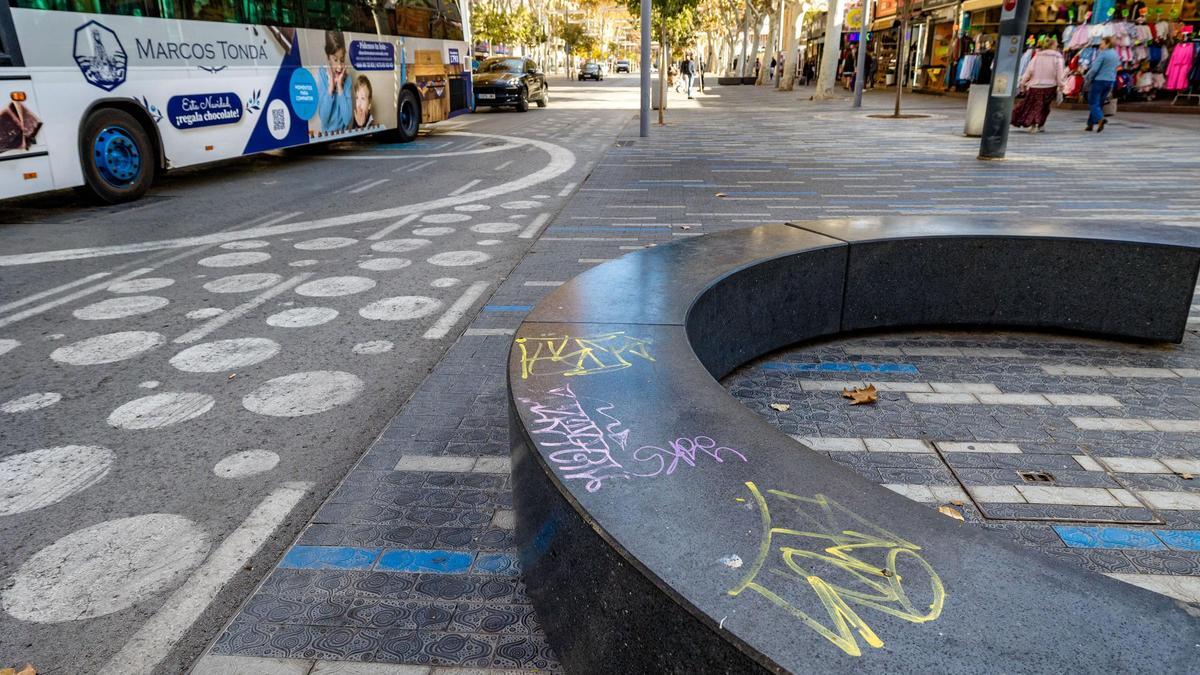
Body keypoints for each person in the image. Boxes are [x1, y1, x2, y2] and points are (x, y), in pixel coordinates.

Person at [1011, 38, 1067, 133]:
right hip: (1050, 86)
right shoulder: (1058, 57)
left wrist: (1023, 82)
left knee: (1033, 105)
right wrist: (1061, 84)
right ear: (1053, 46)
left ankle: (1035, 123)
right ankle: (1039, 124)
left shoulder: (1037, 56)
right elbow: (1059, 73)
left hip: (1035, 85)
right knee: (1044, 106)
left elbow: (1029, 71)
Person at [318, 31, 352, 132]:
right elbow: (324, 119)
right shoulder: (322, 74)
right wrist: (331, 88)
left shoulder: (348, 79)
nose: (339, 66)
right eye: (335, 60)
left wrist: (340, 88)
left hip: (344, 135)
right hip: (327, 137)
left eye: (342, 60)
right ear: (328, 58)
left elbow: (347, 120)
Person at [1084, 36, 1118, 132]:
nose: (1100, 44)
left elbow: (1094, 69)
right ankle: (1090, 124)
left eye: (1102, 43)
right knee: (1098, 103)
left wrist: (1087, 77)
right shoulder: (1115, 54)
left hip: (1099, 80)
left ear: (1107, 44)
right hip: (1110, 81)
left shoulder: (1103, 54)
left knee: (1093, 102)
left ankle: (1100, 119)